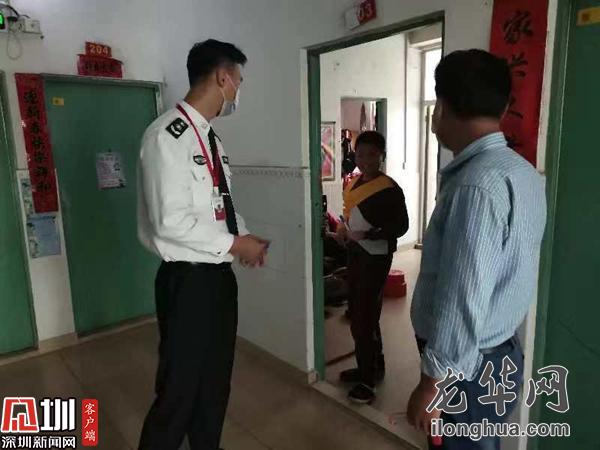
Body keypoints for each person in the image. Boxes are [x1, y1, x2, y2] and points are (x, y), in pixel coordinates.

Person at [407, 49, 546, 449]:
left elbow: (462, 298)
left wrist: (432, 384)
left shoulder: (475, 186)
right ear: (502, 108)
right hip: (497, 355)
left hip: (467, 372)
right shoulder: (522, 172)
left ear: (441, 109)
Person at [137, 39, 269, 450]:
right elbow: (169, 221)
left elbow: (221, 204)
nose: (238, 92)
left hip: (217, 278)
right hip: (187, 282)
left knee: (214, 382)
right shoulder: (167, 136)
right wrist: (235, 244)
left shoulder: (210, 138)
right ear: (222, 78)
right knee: (179, 389)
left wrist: (243, 238)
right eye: (238, 81)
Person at [336, 131, 409, 404]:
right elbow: (349, 214)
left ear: (381, 156)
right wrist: (343, 229)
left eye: (371, 154)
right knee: (358, 311)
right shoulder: (354, 182)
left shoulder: (389, 189)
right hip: (355, 254)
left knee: (364, 316)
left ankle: (367, 382)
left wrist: (370, 234)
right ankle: (371, 367)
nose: (364, 160)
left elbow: (401, 226)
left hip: (375, 258)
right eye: (360, 154)